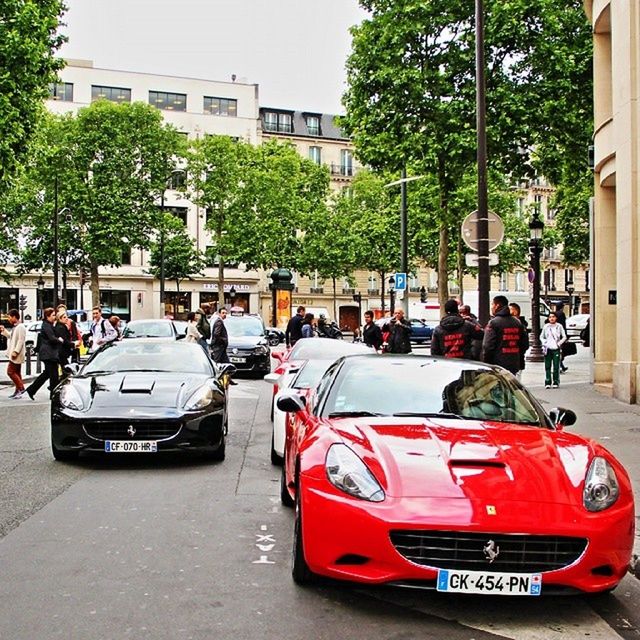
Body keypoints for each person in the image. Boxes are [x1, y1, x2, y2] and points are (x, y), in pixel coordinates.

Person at [25, 308, 63, 400]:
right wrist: (60, 340)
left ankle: (31, 389)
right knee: (54, 375)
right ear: (47, 316)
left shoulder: (49, 325)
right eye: (53, 315)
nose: (54, 317)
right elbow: (52, 338)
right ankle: (53, 395)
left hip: (48, 353)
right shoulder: (46, 326)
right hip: (49, 354)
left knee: (47, 374)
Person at [481, 295, 525, 376]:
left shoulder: (493, 323)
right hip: (514, 363)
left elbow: (487, 346)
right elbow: (524, 344)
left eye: (492, 304)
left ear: (497, 305)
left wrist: (486, 362)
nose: (492, 307)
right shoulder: (517, 323)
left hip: (497, 364)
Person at [0, 309, 26, 399]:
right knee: (17, 373)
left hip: (16, 354)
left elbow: (20, 341)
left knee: (10, 372)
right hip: (15, 353)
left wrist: (16, 351)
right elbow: (11, 336)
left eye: (10, 317)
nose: (9, 319)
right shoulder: (16, 327)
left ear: (15, 317)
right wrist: (4, 331)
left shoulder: (21, 327)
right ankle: (17, 391)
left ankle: (21, 388)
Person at [540, 312, 567, 388]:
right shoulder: (546, 327)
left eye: (553, 317)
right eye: (550, 317)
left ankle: (556, 381)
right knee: (547, 366)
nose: (551, 318)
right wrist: (544, 342)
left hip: (556, 348)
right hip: (548, 348)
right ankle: (548, 381)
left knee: (556, 366)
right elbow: (541, 336)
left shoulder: (559, 326)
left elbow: (564, 336)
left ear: (556, 318)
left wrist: (559, 343)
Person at [509, 302, 531, 381]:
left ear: (515, 312)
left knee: (516, 380)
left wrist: (518, 351)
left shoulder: (520, 325)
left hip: (517, 358)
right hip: (513, 357)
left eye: (509, 310)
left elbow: (525, 344)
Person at [554, 303, 569, 372]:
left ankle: (561, 366)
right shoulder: (561, 314)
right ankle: (559, 366)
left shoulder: (554, 314)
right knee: (559, 351)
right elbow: (563, 325)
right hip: (560, 335)